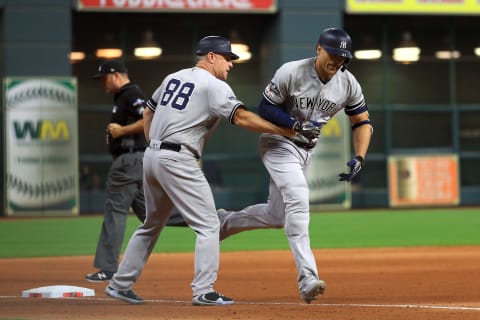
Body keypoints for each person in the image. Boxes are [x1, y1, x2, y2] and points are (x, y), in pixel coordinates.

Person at [104, 35, 307, 306]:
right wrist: (288, 129)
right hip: (178, 158)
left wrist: (154, 141)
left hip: (152, 157)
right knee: (209, 223)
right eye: (227, 58)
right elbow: (243, 117)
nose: (231, 64)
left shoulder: (172, 77)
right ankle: (203, 290)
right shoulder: (214, 86)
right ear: (211, 57)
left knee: (151, 224)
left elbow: (148, 112)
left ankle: (120, 284)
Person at [217, 28, 373, 303]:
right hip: (278, 143)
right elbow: (265, 107)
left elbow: (361, 122)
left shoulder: (348, 83)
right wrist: (294, 124)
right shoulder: (292, 71)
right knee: (299, 199)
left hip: (306, 152)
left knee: (277, 216)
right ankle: (308, 278)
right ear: (318, 49)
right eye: (333, 54)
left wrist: (360, 156)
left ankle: (223, 224)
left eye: (343, 57)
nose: (337, 61)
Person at [85, 60, 148, 283]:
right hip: (137, 162)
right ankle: (209, 223)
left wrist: (121, 131)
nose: (102, 83)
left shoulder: (130, 93)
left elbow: (149, 119)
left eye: (104, 78)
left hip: (128, 162)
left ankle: (108, 267)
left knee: (115, 211)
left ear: (115, 75)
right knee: (154, 214)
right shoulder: (125, 95)